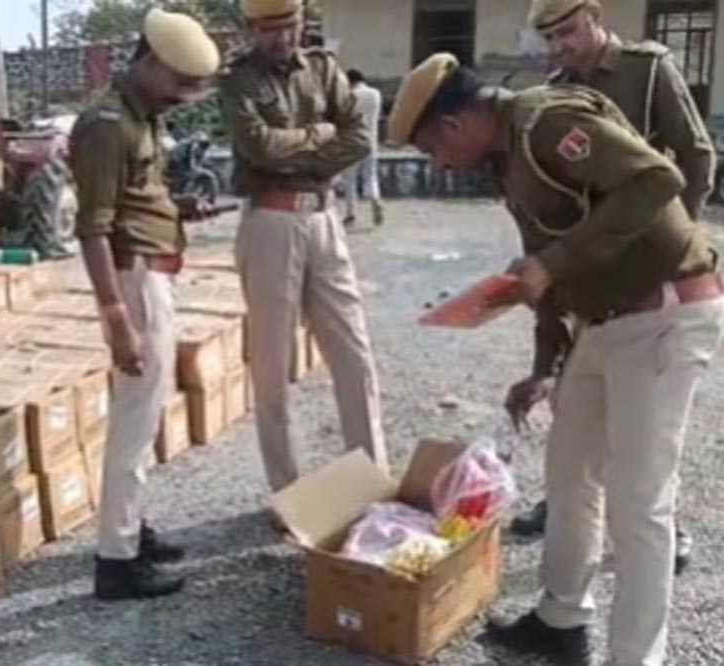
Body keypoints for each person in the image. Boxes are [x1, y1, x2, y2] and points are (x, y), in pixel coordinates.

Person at [388, 52, 724, 666]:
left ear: (455, 125)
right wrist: (544, 366)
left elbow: (657, 180)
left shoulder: (547, 122)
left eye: (434, 149)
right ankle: (561, 618)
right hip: (604, 320)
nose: (440, 165)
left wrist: (555, 264)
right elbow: (543, 268)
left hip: (664, 314)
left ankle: (636, 658)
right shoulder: (507, 157)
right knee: (570, 475)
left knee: (639, 504)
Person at [508, 0, 716, 574]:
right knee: (579, 390)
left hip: (652, 260)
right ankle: (567, 506)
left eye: (569, 31)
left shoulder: (646, 70)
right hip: (590, 265)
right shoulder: (556, 91)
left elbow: (695, 155)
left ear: (595, 16)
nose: (562, 46)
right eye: (552, 38)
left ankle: (664, 524)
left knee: (650, 416)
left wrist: (677, 238)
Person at [69, 7, 220, 601]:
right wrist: (116, 319)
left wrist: (175, 210)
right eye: (180, 82)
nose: (184, 96)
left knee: (145, 412)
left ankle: (129, 528)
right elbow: (93, 228)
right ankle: (117, 560)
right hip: (133, 281)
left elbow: (135, 198)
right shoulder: (109, 125)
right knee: (134, 421)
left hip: (150, 272)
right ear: (150, 62)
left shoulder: (141, 117)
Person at [219, 0, 389, 496]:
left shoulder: (323, 69)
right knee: (273, 365)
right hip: (270, 223)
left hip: (324, 218)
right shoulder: (239, 81)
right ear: (252, 29)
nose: (282, 38)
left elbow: (358, 138)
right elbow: (258, 147)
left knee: (354, 352)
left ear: (301, 22)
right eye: (269, 29)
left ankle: (372, 480)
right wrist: (320, 135)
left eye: (288, 26)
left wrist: (296, 151)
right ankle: (289, 493)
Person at [341, 69, 385, 227]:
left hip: (352, 142)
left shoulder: (348, 96)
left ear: (350, 81)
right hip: (370, 141)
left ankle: (350, 213)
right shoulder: (375, 94)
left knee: (350, 180)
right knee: (371, 176)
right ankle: (375, 198)